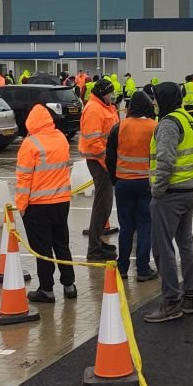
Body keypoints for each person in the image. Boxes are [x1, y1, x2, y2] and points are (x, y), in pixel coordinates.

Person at [143, 82, 193, 323]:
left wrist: (157, 190)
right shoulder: (186, 117)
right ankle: (188, 298)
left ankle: (171, 302)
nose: (154, 103)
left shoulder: (167, 124)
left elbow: (165, 160)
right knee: (185, 243)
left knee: (162, 247)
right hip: (190, 187)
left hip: (172, 193)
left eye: (156, 98)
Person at [15, 105, 77, 303]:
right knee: (62, 245)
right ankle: (70, 285)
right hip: (61, 201)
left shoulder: (30, 144)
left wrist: (21, 206)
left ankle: (46, 289)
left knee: (43, 249)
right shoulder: (61, 138)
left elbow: (24, 178)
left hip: (38, 205)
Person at [106, 90, 158, 282]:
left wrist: (115, 179)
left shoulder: (119, 127)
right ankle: (143, 269)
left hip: (123, 182)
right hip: (146, 183)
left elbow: (110, 157)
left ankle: (123, 268)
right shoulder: (155, 127)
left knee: (126, 227)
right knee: (145, 225)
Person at [79, 78, 120, 262]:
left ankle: (97, 243)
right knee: (102, 206)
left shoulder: (106, 107)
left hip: (105, 161)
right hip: (99, 161)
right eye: (109, 93)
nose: (112, 96)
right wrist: (108, 163)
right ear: (102, 94)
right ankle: (94, 249)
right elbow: (94, 142)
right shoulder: (94, 110)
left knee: (104, 206)